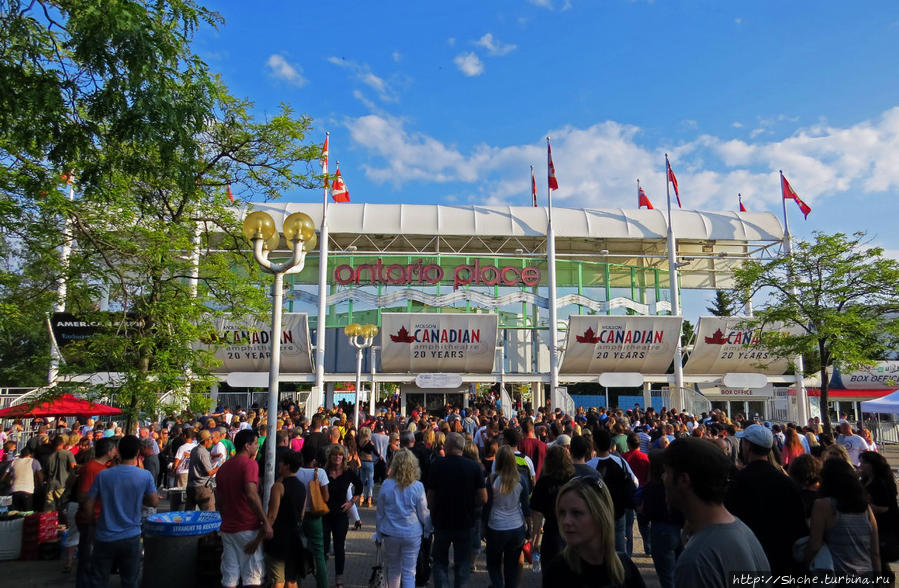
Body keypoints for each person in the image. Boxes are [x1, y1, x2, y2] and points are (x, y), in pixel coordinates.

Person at [663, 437, 769, 587]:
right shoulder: (742, 531)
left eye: (666, 472)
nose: (663, 479)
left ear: (683, 480)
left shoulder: (695, 561)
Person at [725, 424, 808, 574]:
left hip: (748, 557)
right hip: (782, 557)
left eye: (743, 443)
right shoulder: (786, 482)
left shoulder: (738, 481)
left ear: (748, 446)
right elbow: (798, 523)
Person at [543, 476, 645, 587]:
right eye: (562, 512)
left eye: (576, 513)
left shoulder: (625, 568)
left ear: (600, 515)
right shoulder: (557, 572)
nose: (566, 521)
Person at [85, 435, 159, 588]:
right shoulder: (144, 475)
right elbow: (154, 501)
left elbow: (88, 504)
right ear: (138, 452)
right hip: (131, 535)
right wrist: (139, 497)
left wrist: (92, 525)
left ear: (118, 451)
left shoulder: (104, 474)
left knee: (99, 580)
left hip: (104, 534)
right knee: (129, 580)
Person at [427, 432, 487, 588]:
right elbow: (483, 497)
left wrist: (432, 514)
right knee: (462, 564)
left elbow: (431, 496)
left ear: (448, 446)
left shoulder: (437, 465)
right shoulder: (474, 467)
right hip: (465, 521)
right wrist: (471, 505)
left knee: (440, 562)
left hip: (442, 520)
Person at [215, 429, 272, 588]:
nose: (257, 447)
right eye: (255, 443)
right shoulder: (249, 464)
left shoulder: (224, 467)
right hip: (248, 526)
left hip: (228, 527)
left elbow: (219, 501)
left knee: (230, 576)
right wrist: (265, 521)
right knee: (252, 575)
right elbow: (251, 494)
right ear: (247, 446)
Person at [805, 457, 880, 574]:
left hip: (837, 575)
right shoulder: (865, 508)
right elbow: (875, 552)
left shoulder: (823, 505)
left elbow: (815, 545)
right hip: (865, 574)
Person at [375, 448, 433, 588]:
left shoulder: (387, 485)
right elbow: (424, 513)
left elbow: (380, 512)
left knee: (394, 570)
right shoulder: (418, 486)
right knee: (409, 572)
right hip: (412, 533)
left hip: (390, 532)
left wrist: (378, 534)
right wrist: (428, 529)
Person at [484, 445, 531, 588]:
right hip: (516, 527)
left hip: (496, 526)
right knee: (512, 567)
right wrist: (529, 528)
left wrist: (483, 527)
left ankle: (498, 585)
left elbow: (487, 506)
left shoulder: (491, 480)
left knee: (494, 564)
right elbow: (526, 507)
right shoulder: (521, 479)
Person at [259, 449, 306, 588]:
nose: (278, 464)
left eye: (281, 462)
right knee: (291, 580)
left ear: (286, 465)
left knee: (277, 579)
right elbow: (302, 514)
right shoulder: (301, 487)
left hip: (279, 538)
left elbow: (272, 515)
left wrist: (260, 536)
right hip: (295, 537)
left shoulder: (279, 487)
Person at [638, 450, 682, 588]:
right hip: (680, 529)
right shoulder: (678, 484)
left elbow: (646, 513)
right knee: (680, 572)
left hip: (661, 530)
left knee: (667, 576)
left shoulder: (651, 487)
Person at [322, 444, 362, 588]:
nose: (337, 457)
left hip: (340, 515)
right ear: (330, 457)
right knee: (324, 547)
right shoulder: (323, 471)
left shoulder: (348, 472)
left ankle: (339, 579)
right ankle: (322, 577)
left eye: (340, 455)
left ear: (343, 458)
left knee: (339, 548)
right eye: (335, 455)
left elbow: (359, 485)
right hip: (325, 514)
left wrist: (351, 502)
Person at [530, 444, 575, 571]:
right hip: (573, 530)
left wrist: (535, 539)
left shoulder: (544, 482)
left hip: (552, 531)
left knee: (551, 571)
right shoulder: (573, 479)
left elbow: (537, 513)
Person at [859, 450, 898, 580]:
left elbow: (884, 507)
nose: (860, 466)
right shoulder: (865, 480)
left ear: (872, 465)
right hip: (870, 525)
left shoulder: (881, 483)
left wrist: (866, 507)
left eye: (863, 463)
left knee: (880, 558)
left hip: (883, 525)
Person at [296, 456, 330, 588]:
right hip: (315, 515)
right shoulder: (320, 472)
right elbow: (326, 497)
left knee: (298, 551)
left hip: (299, 515)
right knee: (319, 554)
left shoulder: (296, 472)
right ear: (314, 459)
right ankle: (322, 584)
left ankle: (296, 582)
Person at [185, 429, 219, 511]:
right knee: (209, 515)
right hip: (202, 488)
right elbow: (210, 472)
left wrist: (213, 456)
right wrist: (219, 466)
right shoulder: (203, 452)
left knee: (190, 516)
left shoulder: (194, 450)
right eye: (210, 438)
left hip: (190, 487)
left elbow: (200, 461)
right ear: (206, 440)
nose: (211, 441)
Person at [45, 434, 76, 511]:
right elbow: (74, 467)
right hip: (63, 485)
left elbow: (46, 471)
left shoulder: (49, 456)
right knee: (62, 508)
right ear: (63, 443)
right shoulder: (68, 454)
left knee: (49, 509)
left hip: (51, 485)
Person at [7, 445, 43, 511]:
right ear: (30, 454)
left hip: (14, 490)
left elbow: (5, 475)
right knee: (27, 513)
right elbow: (40, 477)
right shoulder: (34, 461)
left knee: (14, 513)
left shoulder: (13, 462)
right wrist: (40, 485)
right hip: (28, 491)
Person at [358, 427, 377, 508]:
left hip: (361, 461)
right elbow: (374, 451)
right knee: (370, 480)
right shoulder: (370, 442)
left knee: (362, 480)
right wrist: (379, 456)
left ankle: (361, 497)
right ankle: (369, 498)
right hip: (369, 462)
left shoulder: (359, 442)